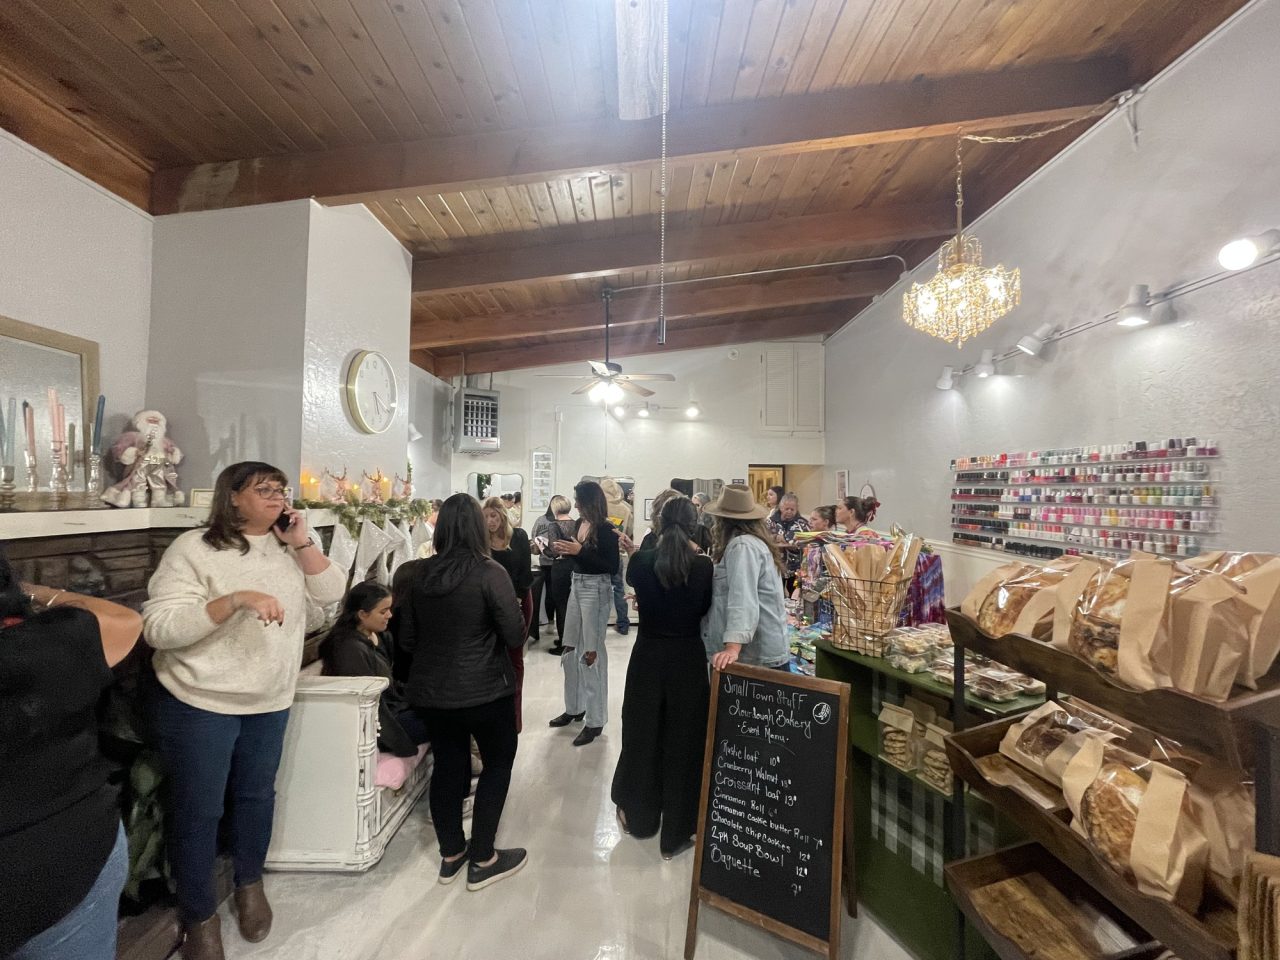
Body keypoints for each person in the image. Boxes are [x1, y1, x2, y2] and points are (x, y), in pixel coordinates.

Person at [143, 461, 345, 960]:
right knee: (199, 810)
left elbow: (332, 594)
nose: (277, 497)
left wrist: (301, 542)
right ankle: (199, 917)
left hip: (269, 698)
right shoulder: (193, 549)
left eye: (280, 489)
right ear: (232, 497)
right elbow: (159, 629)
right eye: (264, 489)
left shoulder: (288, 547)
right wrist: (233, 600)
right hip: (200, 700)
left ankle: (249, 885)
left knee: (257, 796)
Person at [2, 550, 142, 960]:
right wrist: (30, 591)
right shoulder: (54, 640)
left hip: (71, 861)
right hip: (74, 857)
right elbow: (128, 622)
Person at [391, 493, 527, 890]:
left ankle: (452, 852)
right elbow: (515, 633)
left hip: (434, 693)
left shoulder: (415, 575)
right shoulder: (490, 573)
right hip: (487, 690)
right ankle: (483, 857)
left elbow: (409, 639)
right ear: (476, 527)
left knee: (449, 765)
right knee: (497, 764)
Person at [611, 498, 713, 860]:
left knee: (642, 735)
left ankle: (639, 818)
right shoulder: (703, 567)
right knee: (684, 742)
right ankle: (679, 830)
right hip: (688, 658)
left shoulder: (640, 562)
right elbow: (701, 607)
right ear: (694, 525)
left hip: (648, 656)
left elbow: (642, 584)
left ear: (658, 521)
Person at [548, 480, 619, 747]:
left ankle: (596, 719)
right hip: (576, 584)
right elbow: (583, 558)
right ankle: (575, 707)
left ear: (590, 501)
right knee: (570, 648)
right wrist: (566, 551)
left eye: (578, 500)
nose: (575, 504)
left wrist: (580, 551)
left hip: (595, 589)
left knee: (592, 653)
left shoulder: (608, 528)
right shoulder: (580, 524)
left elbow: (610, 566)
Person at [319, 582, 427, 757]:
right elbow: (369, 706)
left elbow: (391, 686)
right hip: (381, 726)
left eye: (389, 609)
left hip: (396, 708)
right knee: (447, 721)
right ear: (362, 614)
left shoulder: (380, 635)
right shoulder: (349, 649)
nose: (390, 615)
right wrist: (402, 745)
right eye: (383, 612)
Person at [702, 483, 789, 671]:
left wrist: (732, 647)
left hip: (756, 657)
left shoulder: (742, 546)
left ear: (722, 520)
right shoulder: (750, 543)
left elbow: (743, 597)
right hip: (761, 653)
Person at [483, 496, 532, 732]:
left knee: (515, 657)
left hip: (520, 599)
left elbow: (525, 572)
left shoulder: (519, 537)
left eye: (493, 515)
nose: (490, 521)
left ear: (502, 515)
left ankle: (515, 718)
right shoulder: (482, 542)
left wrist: (519, 599)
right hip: (492, 604)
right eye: (485, 517)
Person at [541, 496, 578, 656]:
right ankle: (570, 640)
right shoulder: (577, 524)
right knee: (572, 606)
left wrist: (542, 548)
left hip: (561, 568)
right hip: (575, 567)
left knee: (561, 606)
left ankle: (564, 643)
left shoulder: (554, 526)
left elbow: (554, 552)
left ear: (554, 508)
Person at [600, 478, 632, 635]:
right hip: (618, 554)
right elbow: (629, 532)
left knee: (599, 590)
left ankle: (598, 625)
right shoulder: (626, 509)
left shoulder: (599, 508)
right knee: (619, 589)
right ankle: (623, 624)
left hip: (600, 555)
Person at [767, 493, 811, 593]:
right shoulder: (770, 522)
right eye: (786, 509)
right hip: (775, 566)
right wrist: (774, 537)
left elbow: (808, 542)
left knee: (795, 595)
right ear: (781, 507)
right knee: (776, 594)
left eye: (792, 509)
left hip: (796, 568)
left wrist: (796, 545)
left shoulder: (802, 523)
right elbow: (763, 538)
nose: (789, 512)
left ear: (797, 508)